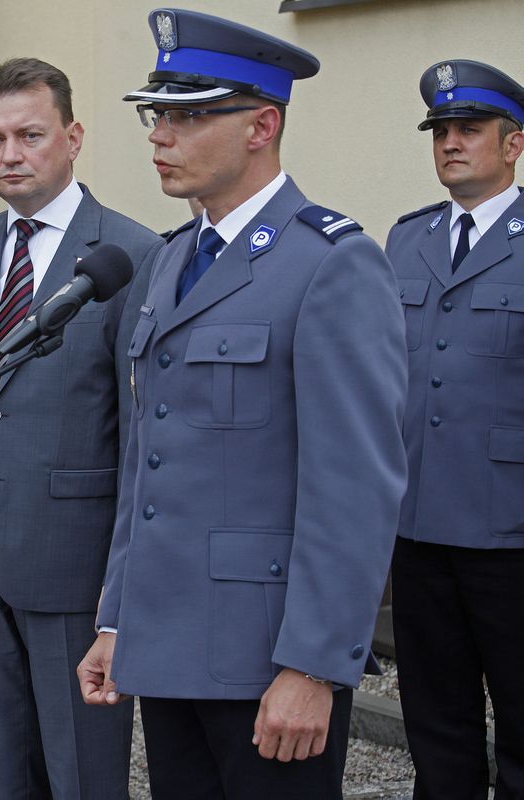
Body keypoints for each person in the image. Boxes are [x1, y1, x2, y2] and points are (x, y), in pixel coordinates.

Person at [78, 10, 408, 799]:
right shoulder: (170, 260)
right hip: (167, 646)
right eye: (157, 113)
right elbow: (147, 464)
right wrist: (118, 619)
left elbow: (355, 491)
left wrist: (315, 667)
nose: (161, 134)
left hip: (266, 658)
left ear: (262, 124)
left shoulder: (331, 264)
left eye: (189, 114)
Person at [0, 58, 162, 799]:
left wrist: (120, 589)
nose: (8, 156)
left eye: (29, 135)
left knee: (82, 774)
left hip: (73, 565)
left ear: (74, 136)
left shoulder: (132, 254)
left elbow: (141, 437)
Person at [385, 60, 524, 799]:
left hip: (511, 531)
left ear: (514, 144)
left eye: (469, 129)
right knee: (436, 724)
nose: (450, 143)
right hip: (419, 525)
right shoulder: (407, 241)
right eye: (440, 131)